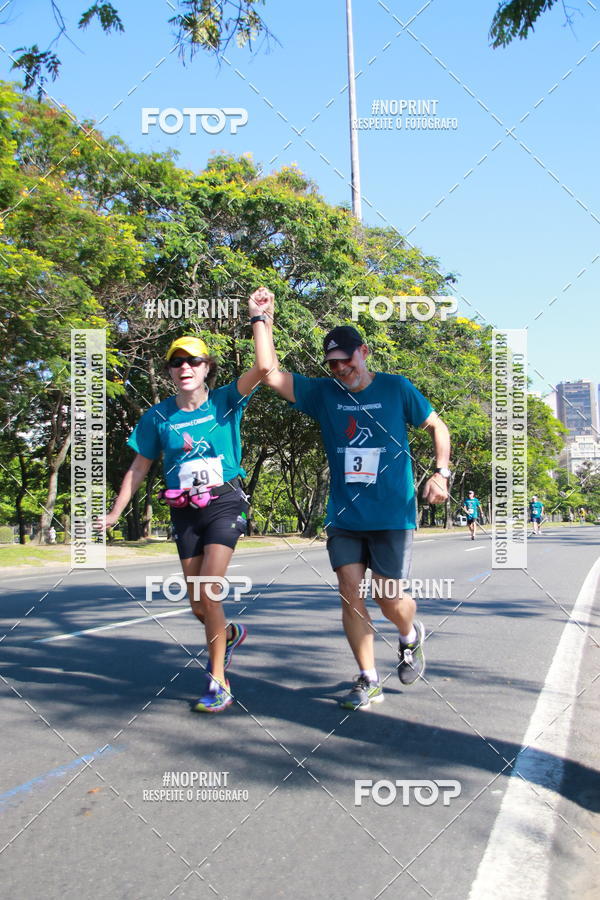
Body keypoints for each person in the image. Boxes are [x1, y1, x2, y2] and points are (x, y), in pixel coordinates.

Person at [261, 296, 451, 711]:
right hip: (345, 516)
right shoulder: (324, 394)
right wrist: (263, 319)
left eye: (347, 360)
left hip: (392, 515)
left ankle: (409, 635)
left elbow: (438, 426)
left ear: (364, 352)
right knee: (350, 592)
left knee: (388, 599)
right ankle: (368, 679)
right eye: (333, 364)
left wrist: (441, 473)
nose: (341, 369)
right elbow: (270, 374)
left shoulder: (397, 388)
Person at [100, 289, 273, 713]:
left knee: (208, 594)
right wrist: (115, 512)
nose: (184, 368)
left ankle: (218, 681)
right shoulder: (157, 417)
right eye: (176, 362)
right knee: (197, 602)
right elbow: (139, 467)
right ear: (170, 372)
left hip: (224, 503)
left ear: (206, 368)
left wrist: (259, 318)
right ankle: (228, 635)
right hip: (183, 511)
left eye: (192, 361)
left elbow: (265, 367)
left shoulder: (225, 401)